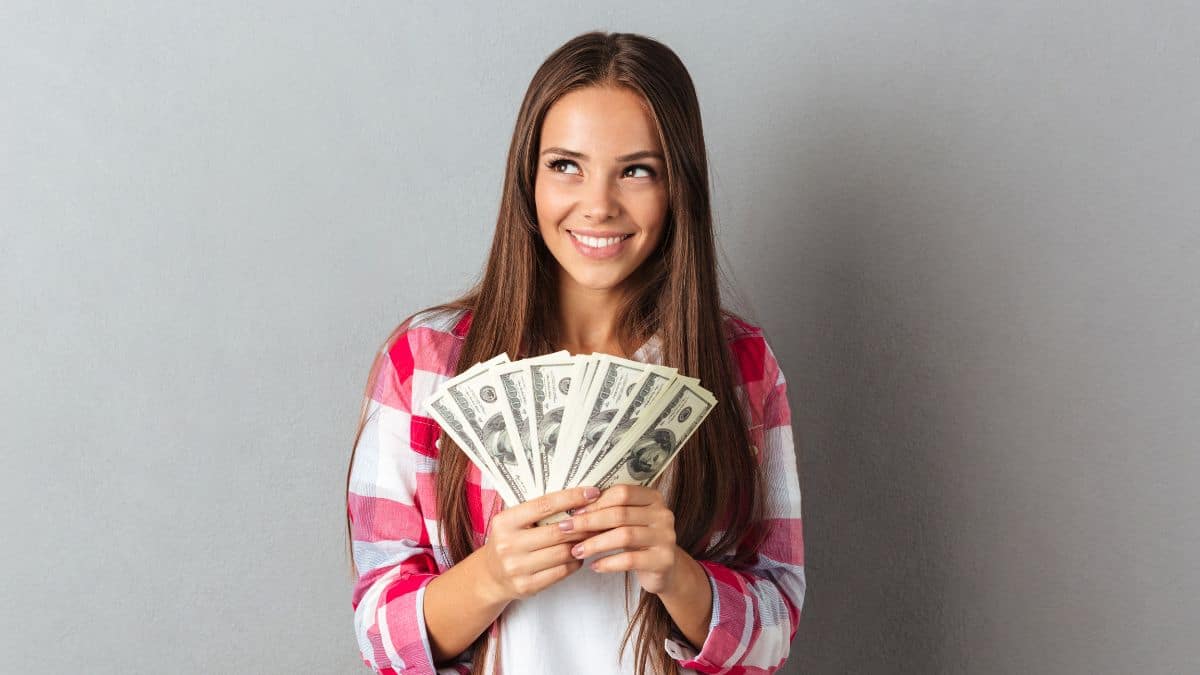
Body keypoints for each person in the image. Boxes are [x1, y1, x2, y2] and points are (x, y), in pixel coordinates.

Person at [345, 31, 805, 675]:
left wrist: (675, 573)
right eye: (566, 165)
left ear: (680, 186)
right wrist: (491, 577)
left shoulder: (741, 368)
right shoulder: (424, 362)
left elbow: (776, 627)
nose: (598, 205)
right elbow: (378, 639)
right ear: (528, 176)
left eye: (637, 170)